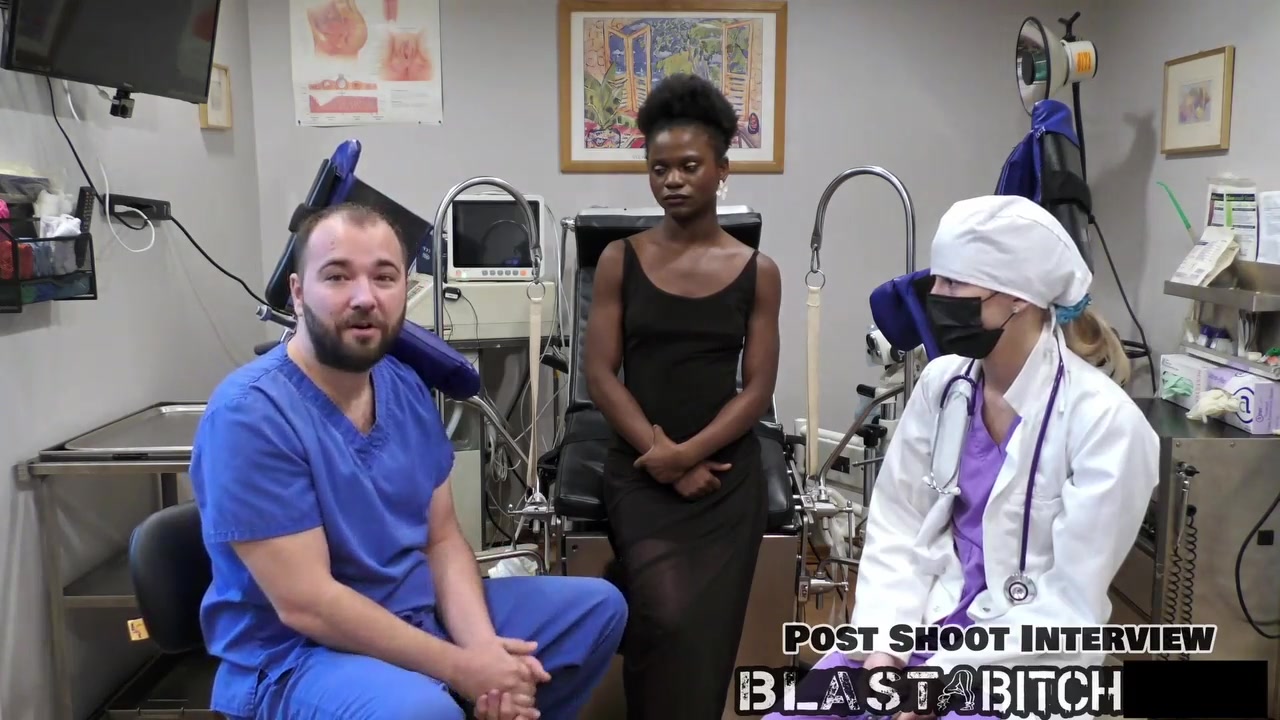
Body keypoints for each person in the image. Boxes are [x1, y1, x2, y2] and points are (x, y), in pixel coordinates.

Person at [190, 203, 627, 720]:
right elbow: (309, 604)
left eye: (384, 277)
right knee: (423, 711)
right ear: (298, 292)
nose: (364, 297)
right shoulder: (251, 415)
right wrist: (463, 669)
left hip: (416, 614)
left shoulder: (403, 386)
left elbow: (442, 539)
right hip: (299, 655)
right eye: (337, 276)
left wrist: (483, 649)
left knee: (597, 609)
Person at [767, 195, 1159, 720]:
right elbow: (900, 522)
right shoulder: (943, 382)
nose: (936, 298)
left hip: (1022, 657)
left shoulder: (1107, 424)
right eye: (939, 281)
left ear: (1018, 298)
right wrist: (884, 649)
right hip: (926, 618)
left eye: (954, 285)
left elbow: (1070, 599)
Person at [583, 73, 783, 720]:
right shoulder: (619, 259)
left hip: (724, 473)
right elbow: (600, 374)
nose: (672, 180)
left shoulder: (758, 272)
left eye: (689, 166)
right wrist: (662, 456)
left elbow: (757, 389)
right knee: (664, 615)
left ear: (722, 170)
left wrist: (690, 455)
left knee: (704, 633)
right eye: (659, 168)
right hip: (641, 467)